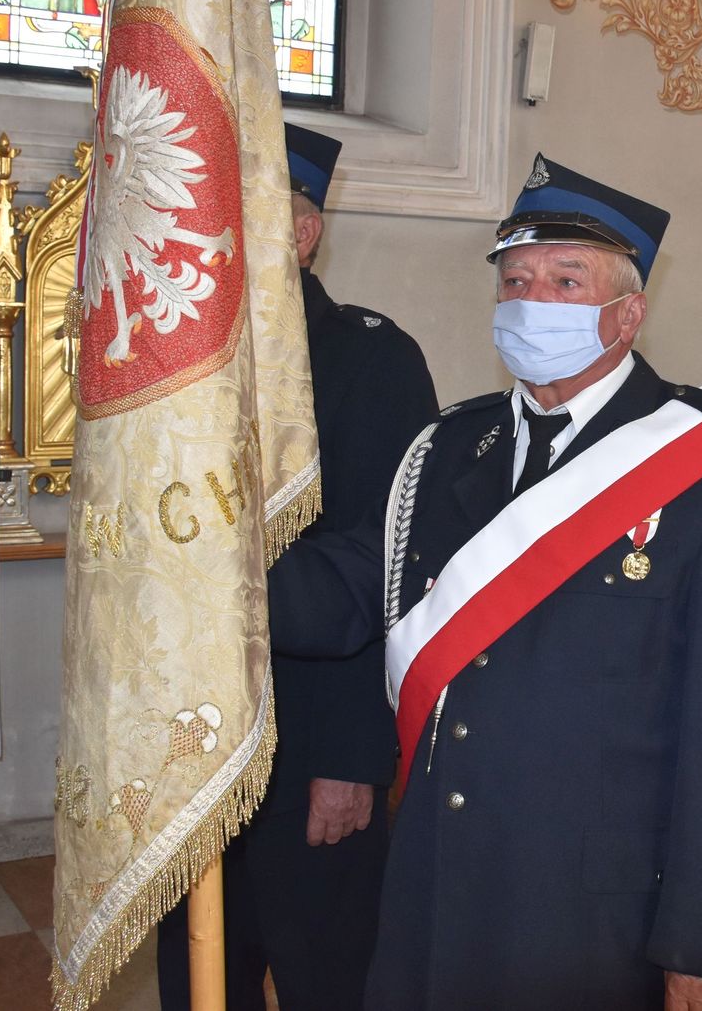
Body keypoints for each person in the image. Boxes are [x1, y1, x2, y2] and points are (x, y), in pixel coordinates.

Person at [264, 155, 702, 1009]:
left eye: (565, 279)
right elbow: (348, 591)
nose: (532, 301)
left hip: (593, 914)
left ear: (627, 314)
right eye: (515, 280)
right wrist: (205, 578)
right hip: (437, 884)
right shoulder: (447, 448)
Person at [156, 125, 438, 1011]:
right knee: (198, 981)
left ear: (304, 232)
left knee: (329, 982)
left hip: (311, 753)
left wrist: (354, 760)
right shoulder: (177, 363)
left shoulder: (372, 359)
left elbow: (387, 568)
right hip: (189, 753)